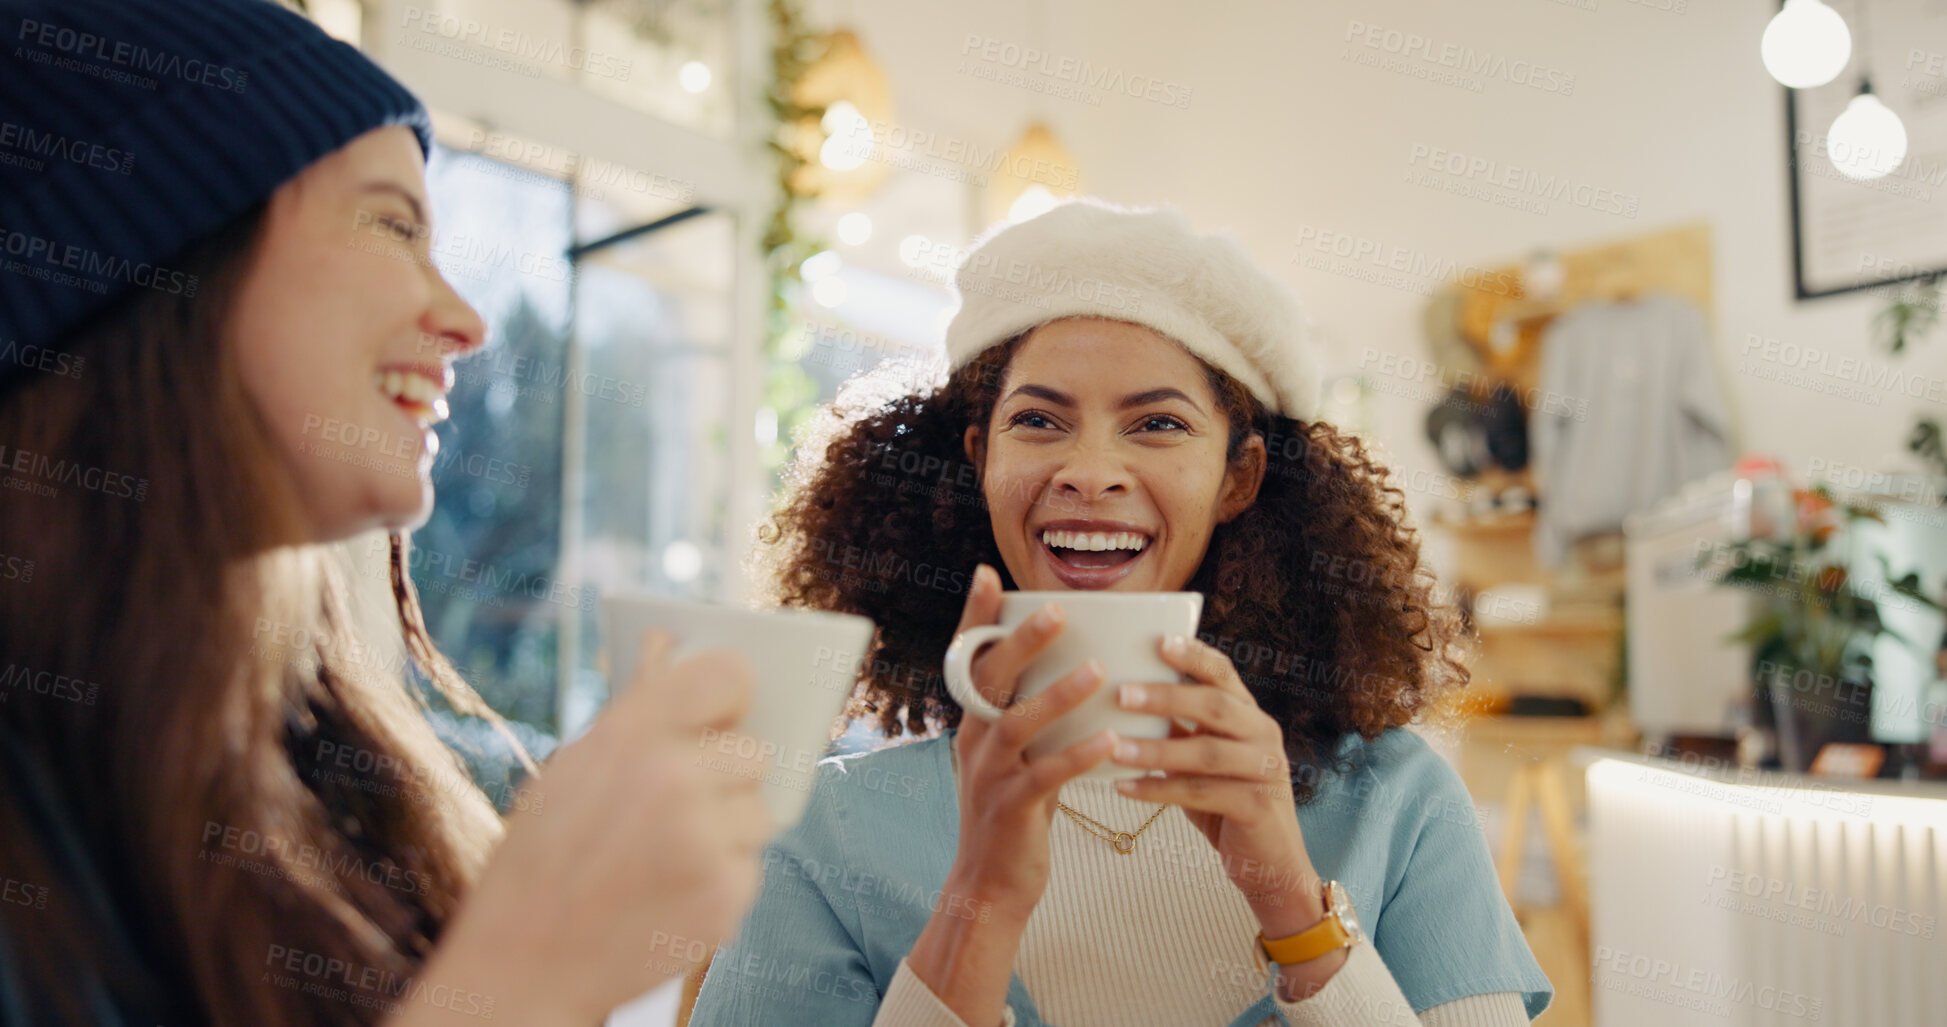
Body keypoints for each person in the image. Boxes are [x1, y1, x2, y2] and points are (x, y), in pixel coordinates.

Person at [0, 1, 767, 1023]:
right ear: (166, 260)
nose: (464, 319)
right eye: (392, 223)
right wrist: (527, 975)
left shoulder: (318, 778)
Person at [691, 201, 1553, 1026]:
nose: (1089, 470)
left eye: (1157, 425)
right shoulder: (825, 833)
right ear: (979, 457)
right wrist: (980, 902)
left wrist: (1290, 898)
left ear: (1237, 479)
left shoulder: (1395, 802)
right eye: (1036, 420)